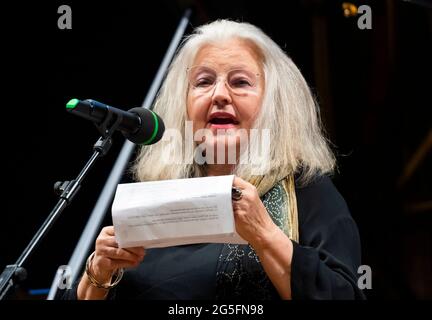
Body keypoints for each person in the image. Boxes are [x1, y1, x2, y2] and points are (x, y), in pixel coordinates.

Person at [60, 19, 365, 300]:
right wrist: (97, 274)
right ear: (184, 104)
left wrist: (264, 234)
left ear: (274, 104)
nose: (220, 94)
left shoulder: (307, 192)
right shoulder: (153, 197)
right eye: (204, 82)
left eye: (241, 82)